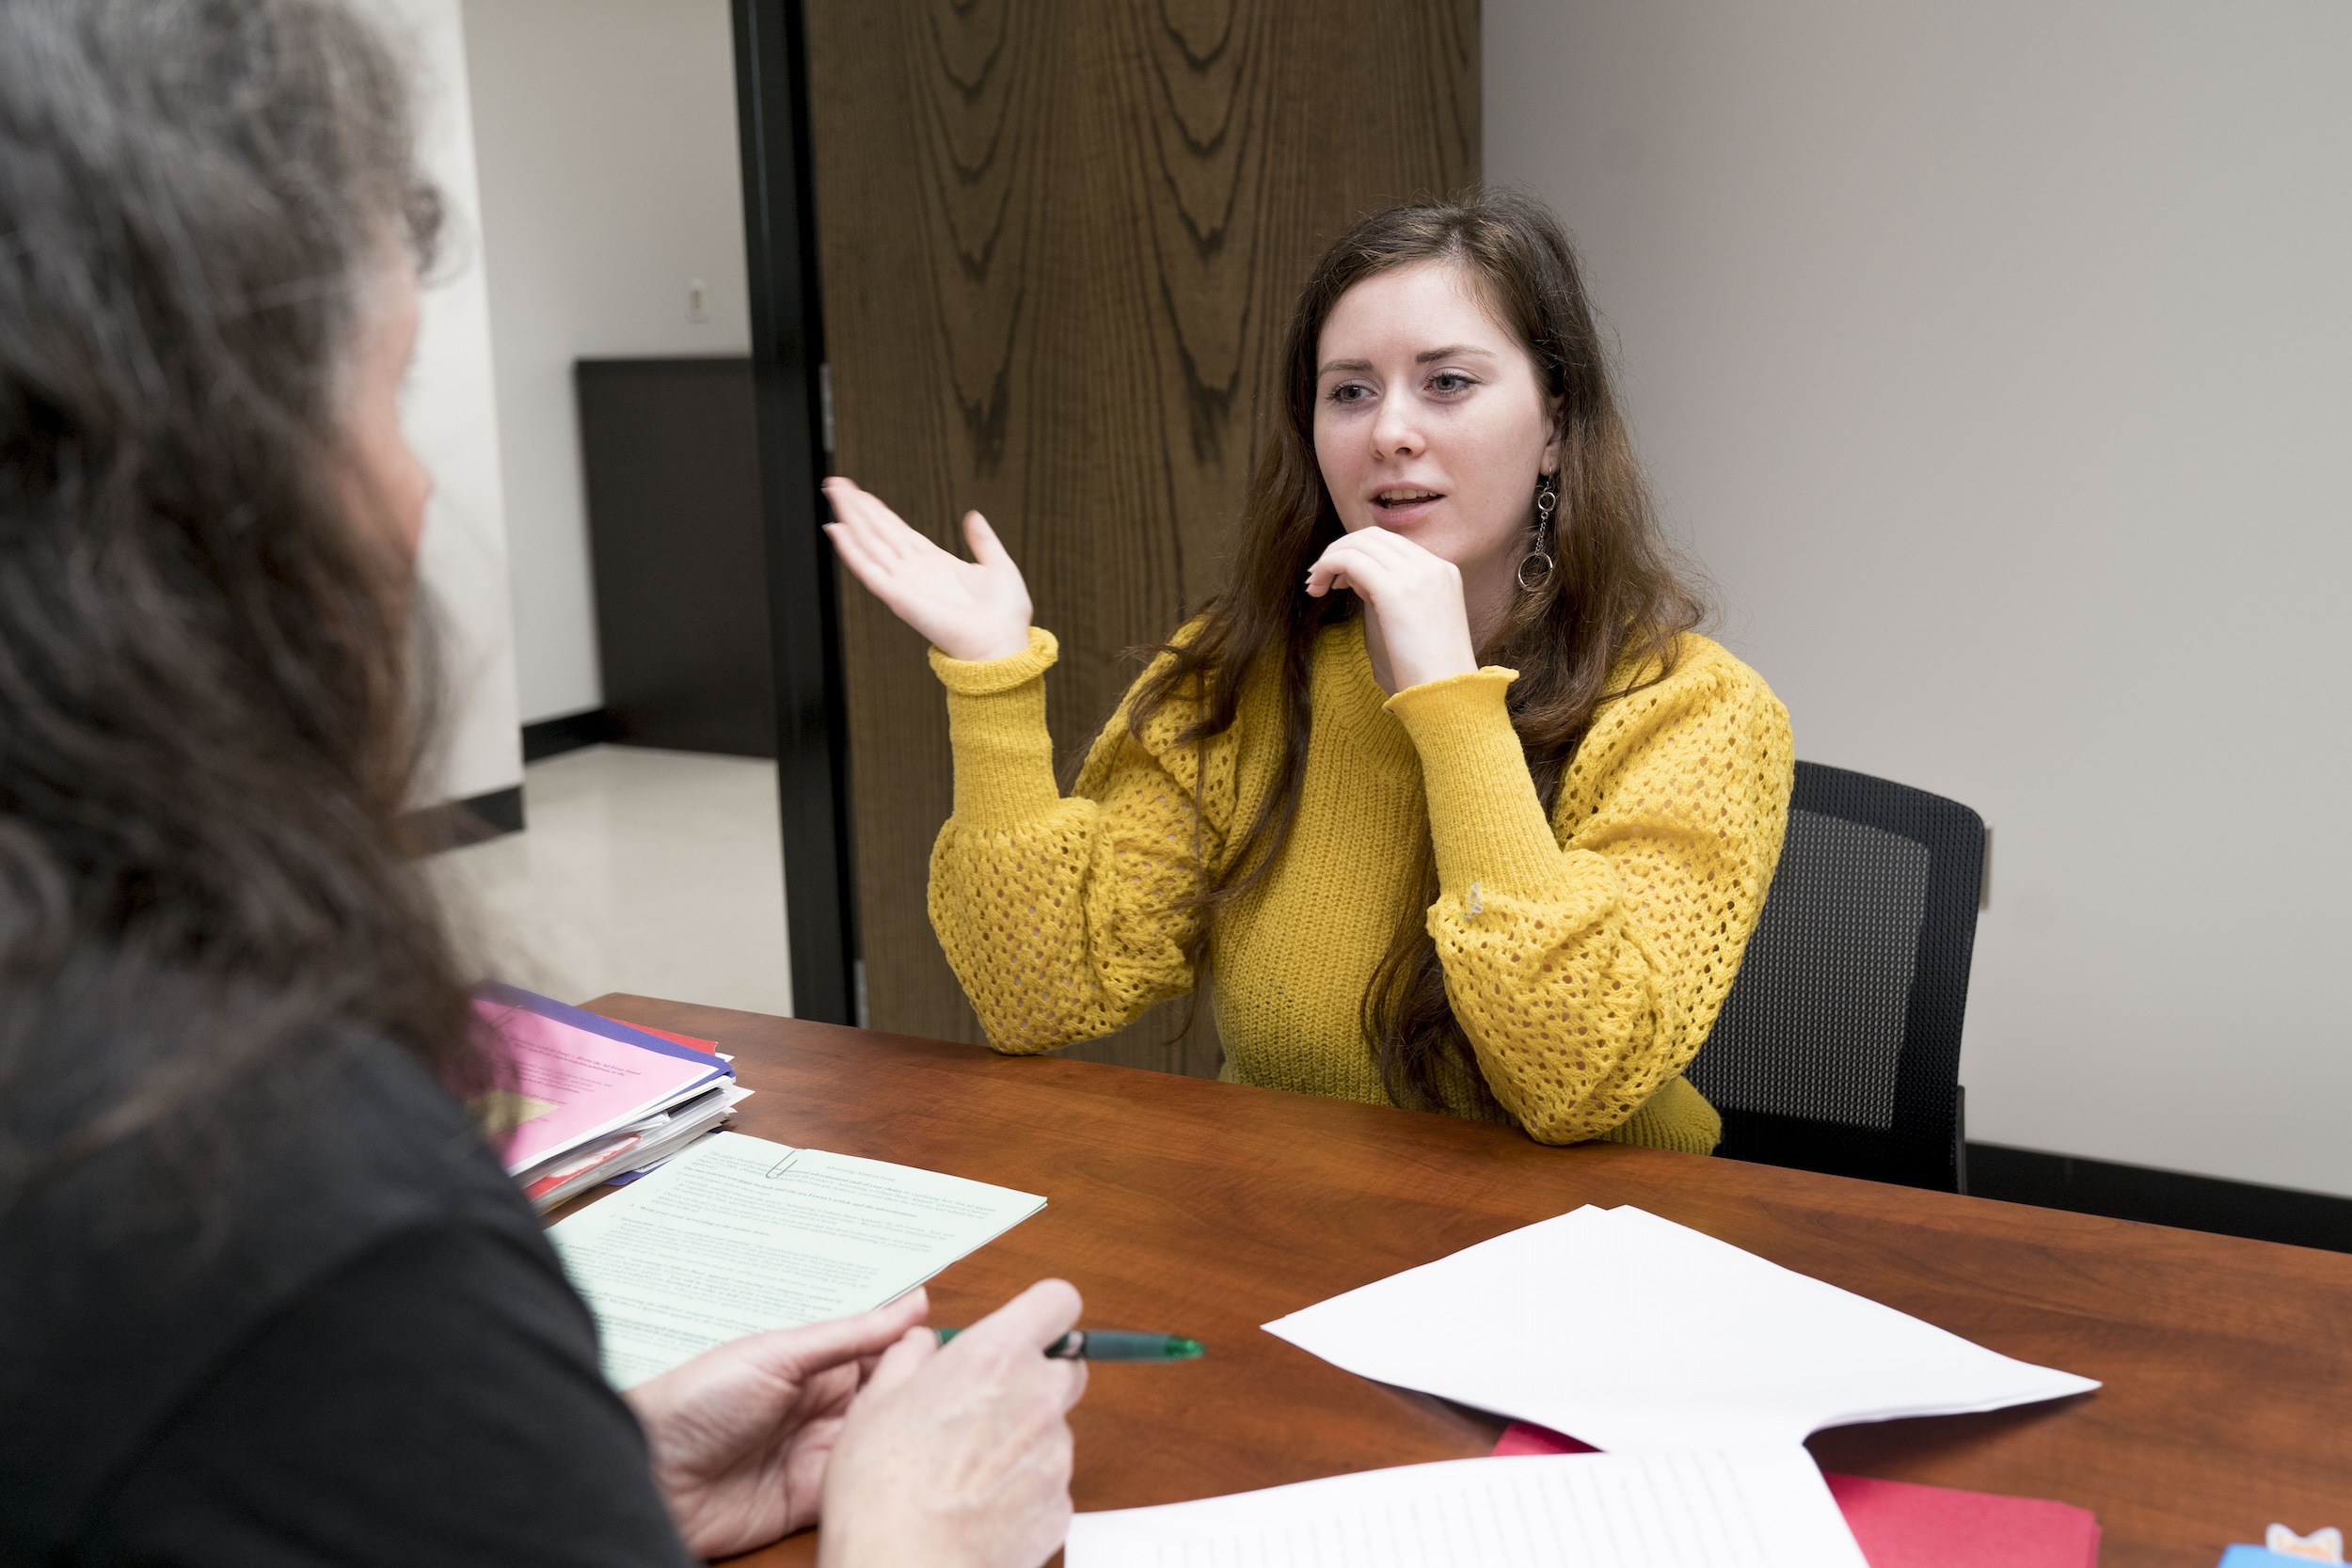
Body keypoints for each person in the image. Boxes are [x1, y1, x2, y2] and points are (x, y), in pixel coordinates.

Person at [0, 4, 1082, 1565]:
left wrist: (573, 1487)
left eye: (1445, 380)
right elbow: (1046, 974)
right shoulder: (266, 1187)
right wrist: (915, 1536)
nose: (419, 482)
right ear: (206, 488)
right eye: (386, 390)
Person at [826, 192, 1794, 1152]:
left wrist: (1449, 704)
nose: (1390, 433)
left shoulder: (1695, 708)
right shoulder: (1236, 678)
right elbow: (1038, 993)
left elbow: (1578, 1077)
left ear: (1553, 424)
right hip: (1297, 1213)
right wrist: (992, 677)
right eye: (1350, 390)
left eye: (1447, 382)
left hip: (1594, 1247)